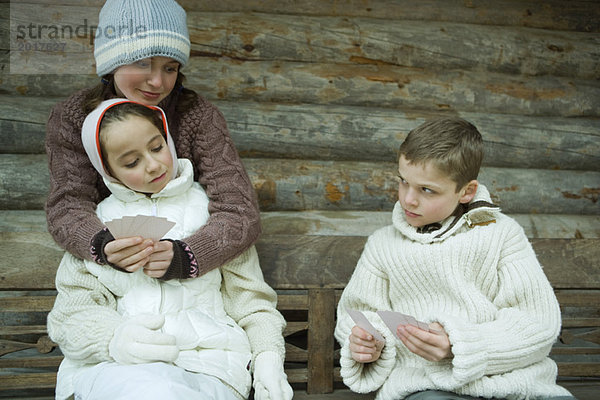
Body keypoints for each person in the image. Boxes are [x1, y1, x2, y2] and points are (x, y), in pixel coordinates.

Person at [48, 99, 293, 400]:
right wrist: (113, 339)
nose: (153, 165)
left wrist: (268, 358)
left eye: (156, 147)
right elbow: (70, 314)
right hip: (117, 369)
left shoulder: (216, 218)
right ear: (108, 170)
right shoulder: (98, 228)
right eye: (131, 162)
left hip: (210, 367)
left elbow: (251, 301)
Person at [334, 117, 575, 400]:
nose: (408, 199)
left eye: (427, 190)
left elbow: (538, 322)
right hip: (426, 387)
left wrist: (462, 347)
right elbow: (358, 314)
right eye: (403, 182)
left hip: (518, 385)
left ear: (466, 191)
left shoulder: (503, 235)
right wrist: (368, 344)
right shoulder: (382, 245)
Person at [45, 0, 260, 281]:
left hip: (192, 278)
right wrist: (103, 245)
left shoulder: (197, 116)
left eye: (169, 68)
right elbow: (67, 204)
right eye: (142, 63)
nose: (157, 82)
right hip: (111, 279)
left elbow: (239, 210)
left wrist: (188, 256)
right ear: (112, 61)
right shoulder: (74, 118)